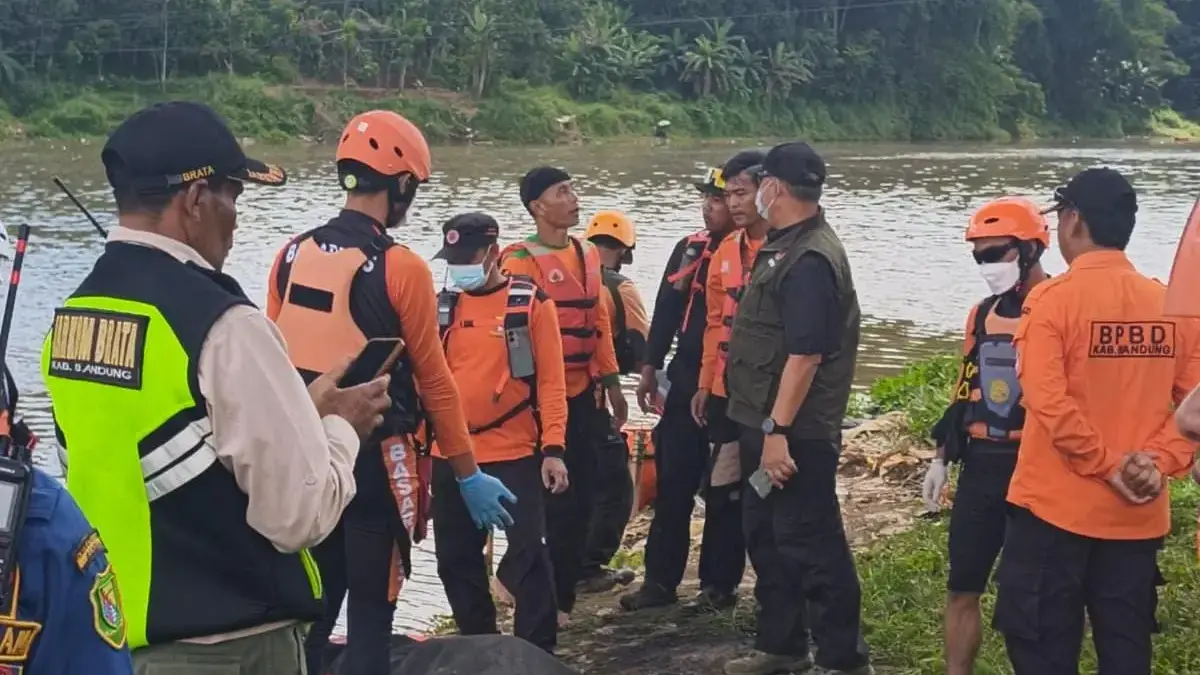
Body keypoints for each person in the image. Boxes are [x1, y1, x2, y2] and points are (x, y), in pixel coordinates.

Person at [40, 100, 391, 673]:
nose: (236, 215)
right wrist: (338, 431)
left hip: (109, 639)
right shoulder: (225, 326)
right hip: (228, 649)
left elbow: (162, 445)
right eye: (234, 195)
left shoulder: (74, 317)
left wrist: (297, 413)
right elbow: (297, 516)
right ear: (197, 200)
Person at [265, 110, 515, 675]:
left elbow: (272, 365)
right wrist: (468, 471)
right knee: (373, 620)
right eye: (413, 188)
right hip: (377, 463)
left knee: (314, 613)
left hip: (305, 457)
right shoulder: (401, 267)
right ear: (401, 184)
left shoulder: (289, 253)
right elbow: (434, 380)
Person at [993, 168, 1200, 674]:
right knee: (1127, 652)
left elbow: (1047, 400)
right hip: (1137, 518)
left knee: (1042, 650)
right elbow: (1194, 404)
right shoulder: (1168, 306)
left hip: (1054, 512)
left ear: (1072, 221)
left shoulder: (1051, 302)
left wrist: (1106, 466)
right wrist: (1155, 462)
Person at [722, 142, 872, 675]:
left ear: (775, 189)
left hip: (794, 430)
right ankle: (780, 646)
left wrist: (776, 431)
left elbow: (806, 356)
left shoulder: (810, 258)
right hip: (762, 422)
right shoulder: (783, 244)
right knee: (767, 537)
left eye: (758, 183)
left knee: (812, 542)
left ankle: (843, 658)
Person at [430, 212, 569, 654]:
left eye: (465, 257)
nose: (457, 268)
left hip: (512, 451)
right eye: (451, 258)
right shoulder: (442, 307)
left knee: (528, 555)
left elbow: (551, 383)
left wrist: (554, 449)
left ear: (493, 253)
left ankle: (536, 653)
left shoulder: (530, 304)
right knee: (455, 560)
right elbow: (424, 383)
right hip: (450, 453)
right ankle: (479, 648)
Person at [922, 198, 1050, 675]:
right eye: (980, 256)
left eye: (996, 253)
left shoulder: (1060, 307)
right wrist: (942, 458)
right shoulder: (981, 316)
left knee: (1034, 594)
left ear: (1031, 249)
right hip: (983, 465)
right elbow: (964, 392)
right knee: (962, 586)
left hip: (1038, 465)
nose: (987, 265)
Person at [500, 166, 627, 625]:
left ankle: (562, 598)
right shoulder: (519, 261)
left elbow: (600, 324)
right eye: (562, 191)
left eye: (573, 189)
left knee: (585, 499)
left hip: (586, 397)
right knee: (547, 503)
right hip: (539, 403)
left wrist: (612, 383)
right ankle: (533, 594)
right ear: (537, 206)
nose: (574, 198)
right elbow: (510, 339)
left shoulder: (588, 254)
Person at [621, 167, 746, 613]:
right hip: (688, 373)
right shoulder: (689, 249)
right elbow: (666, 308)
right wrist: (650, 367)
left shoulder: (751, 253)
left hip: (732, 385)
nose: (713, 207)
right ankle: (659, 580)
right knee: (673, 481)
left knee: (724, 486)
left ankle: (719, 582)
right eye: (709, 199)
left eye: (721, 199)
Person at [692, 151, 769, 503]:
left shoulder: (788, 250)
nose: (732, 204)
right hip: (725, 391)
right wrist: (706, 383)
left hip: (765, 394)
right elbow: (713, 324)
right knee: (722, 488)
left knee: (763, 488)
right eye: (728, 196)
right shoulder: (725, 250)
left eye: (742, 194)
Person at [579, 209, 649, 594]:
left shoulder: (566, 280)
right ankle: (588, 567)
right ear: (624, 251)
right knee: (614, 488)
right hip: (593, 398)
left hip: (549, 403)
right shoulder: (621, 288)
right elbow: (640, 345)